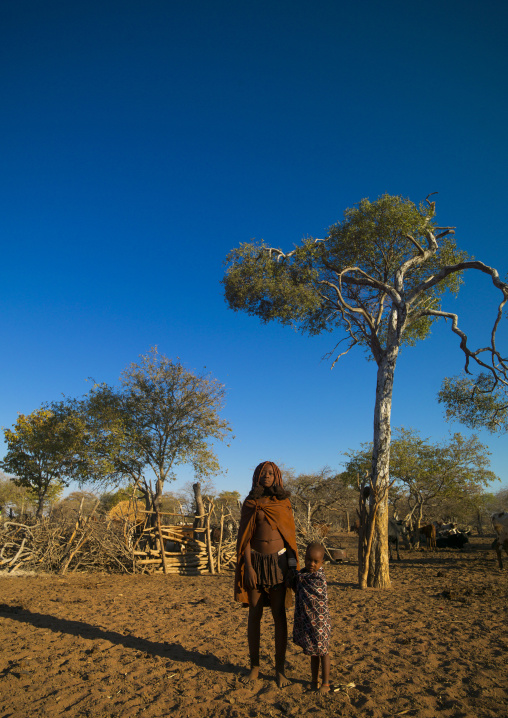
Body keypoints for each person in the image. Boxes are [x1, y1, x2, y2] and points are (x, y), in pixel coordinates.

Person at [234, 461, 299, 687]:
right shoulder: (251, 503)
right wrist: (249, 567)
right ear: (256, 476)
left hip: (279, 564)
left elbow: (290, 538)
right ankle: (254, 667)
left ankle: (280, 669)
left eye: (271, 473)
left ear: (277, 477)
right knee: (254, 614)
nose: (267, 476)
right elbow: (245, 539)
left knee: (279, 615)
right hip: (255, 563)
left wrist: (292, 567)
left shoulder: (283, 503)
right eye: (263, 473)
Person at [291, 542, 331, 693]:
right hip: (309, 621)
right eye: (308, 559)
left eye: (315, 561)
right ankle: (314, 681)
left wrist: (295, 577)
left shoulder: (318, 578)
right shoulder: (304, 575)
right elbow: (297, 581)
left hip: (320, 622)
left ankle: (326, 683)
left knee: (323, 652)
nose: (311, 564)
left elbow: (299, 581)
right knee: (314, 653)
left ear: (322, 563)